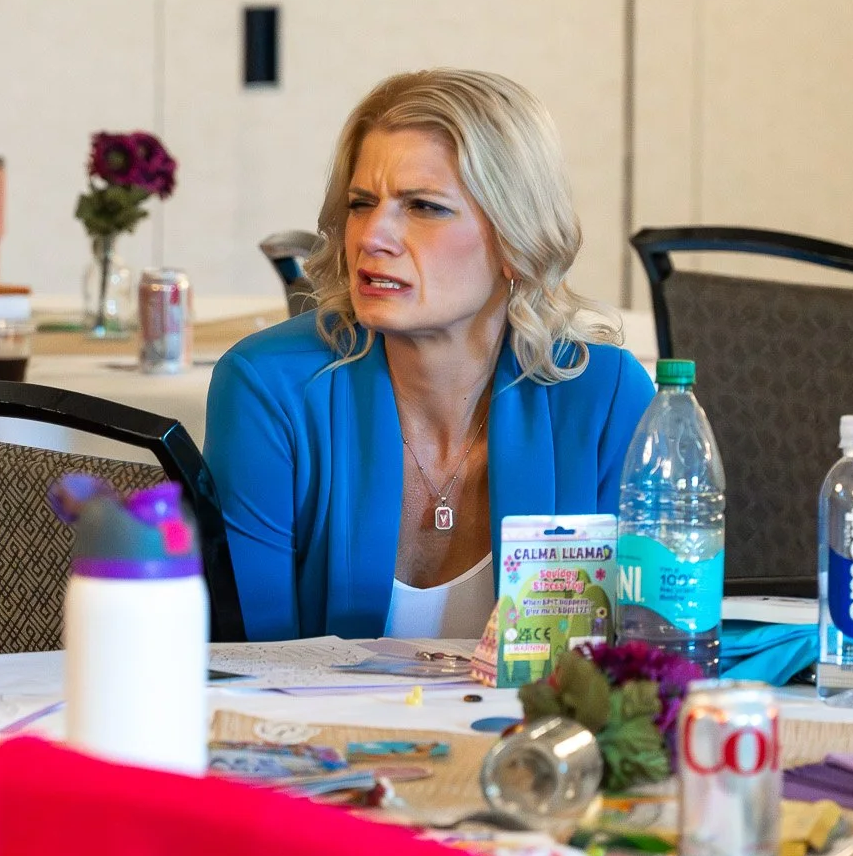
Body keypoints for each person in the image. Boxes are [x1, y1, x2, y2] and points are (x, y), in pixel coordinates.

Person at [206, 69, 654, 642]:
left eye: (423, 206)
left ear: (516, 239)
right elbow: (252, 660)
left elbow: (647, 649)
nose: (372, 237)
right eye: (361, 204)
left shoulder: (604, 398)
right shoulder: (270, 387)